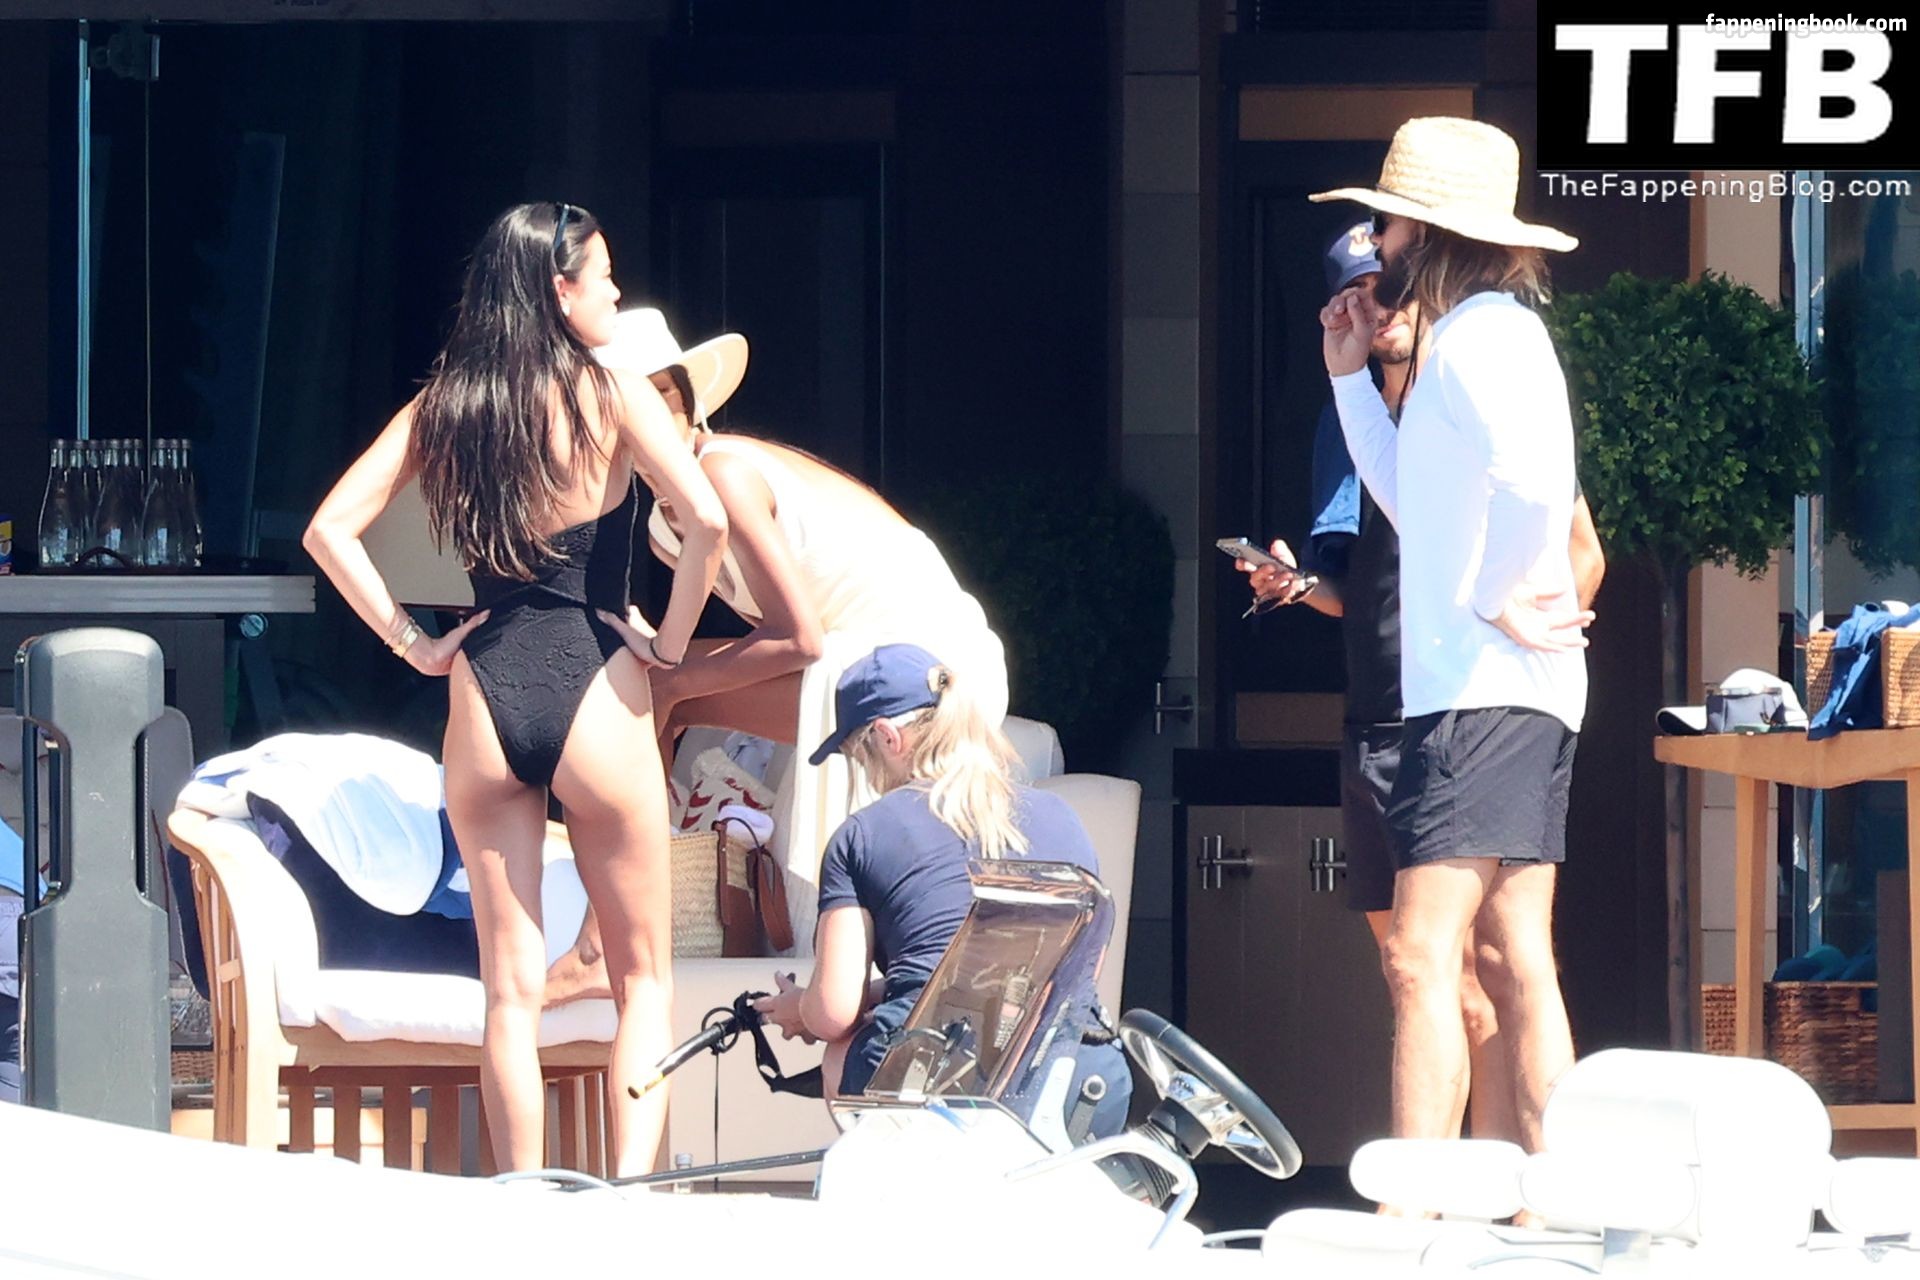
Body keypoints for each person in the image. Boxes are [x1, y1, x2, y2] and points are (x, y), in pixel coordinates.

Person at [304, 201, 728, 1176]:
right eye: (604, 277)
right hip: (598, 678)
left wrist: (414, 644)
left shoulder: (446, 407)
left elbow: (329, 529)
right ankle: (627, 1200)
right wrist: (667, 642)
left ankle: (521, 1203)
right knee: (644, 982)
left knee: (509, 992)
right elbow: (705, 521)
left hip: (485, 687)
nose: (616, 293)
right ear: (559, 290)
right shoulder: (611, 393)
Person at [1238, 222, 1605, 1145]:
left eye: (1393, 228)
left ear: (1430, 235)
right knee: (1509, 959)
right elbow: (1410, 502)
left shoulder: (1483, 335)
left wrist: (1495, 592)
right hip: (1453, 700)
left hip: (1480, 699)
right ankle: (1542, 1192)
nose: (1383, 254)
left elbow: (1541, 492)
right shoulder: (1466, 344)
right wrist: (1344, 378)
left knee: (1423, 955)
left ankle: (1418, 1207)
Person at [591, 310, 1009, 952]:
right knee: (646, 679)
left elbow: (797, 641)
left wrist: (670, 671)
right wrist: (660, 655)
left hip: (931, 669)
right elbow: (776, 641)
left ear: (691, 403)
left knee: (653, 687)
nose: (646, 418)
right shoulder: (665, 530)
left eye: (661, 395)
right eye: (628, 405)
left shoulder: (726, 475)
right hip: (860, 663)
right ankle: (640, 903)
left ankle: (618, 921)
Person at [751, 643, 1130, 1143]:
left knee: (840, 1053)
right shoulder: (1061, 815)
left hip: (936, 1088)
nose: (867, 775)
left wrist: (801, 1006)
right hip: (1080, 1080)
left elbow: (833, 1015)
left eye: (859, 756)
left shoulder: (863, 835)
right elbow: (1065, 975)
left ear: (887, 737)